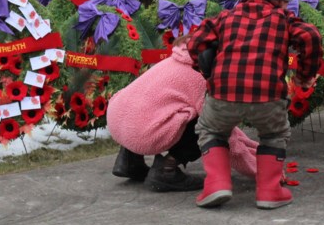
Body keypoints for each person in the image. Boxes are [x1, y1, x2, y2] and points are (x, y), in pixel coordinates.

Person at [186, 0, 323, 209]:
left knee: (211, 129)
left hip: (224, 93)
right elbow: (311, 36)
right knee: (274, 135)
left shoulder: (226, 17)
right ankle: (270, 192)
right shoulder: (283, 19)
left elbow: (197, 42)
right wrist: (304, 76)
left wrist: (206, 71)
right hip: (268, 95)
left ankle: (217, 184)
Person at [107, 35, 258, 192]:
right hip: (143, 133)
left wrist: (249, 145)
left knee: (148, 108)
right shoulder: (202, 78)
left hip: (117, 121)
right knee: (207, 124)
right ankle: (166, 170)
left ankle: (129, 160)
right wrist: (259, 170)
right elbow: (221, 129)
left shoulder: (175, 60)